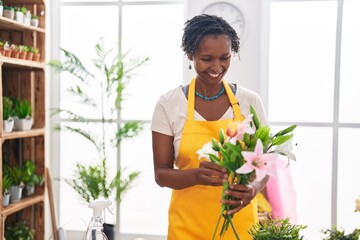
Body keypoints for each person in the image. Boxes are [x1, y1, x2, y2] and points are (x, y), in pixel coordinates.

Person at [151, 14, 270, 240]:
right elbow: (161, 174)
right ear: (190, 54)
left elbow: (265, 163)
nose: (217, 67)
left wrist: (253, 189)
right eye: (207, 58)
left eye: (225, 57)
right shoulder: (169, 104)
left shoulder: (250, 101)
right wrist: (196, 175)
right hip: (187, 227)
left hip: (241, 227)